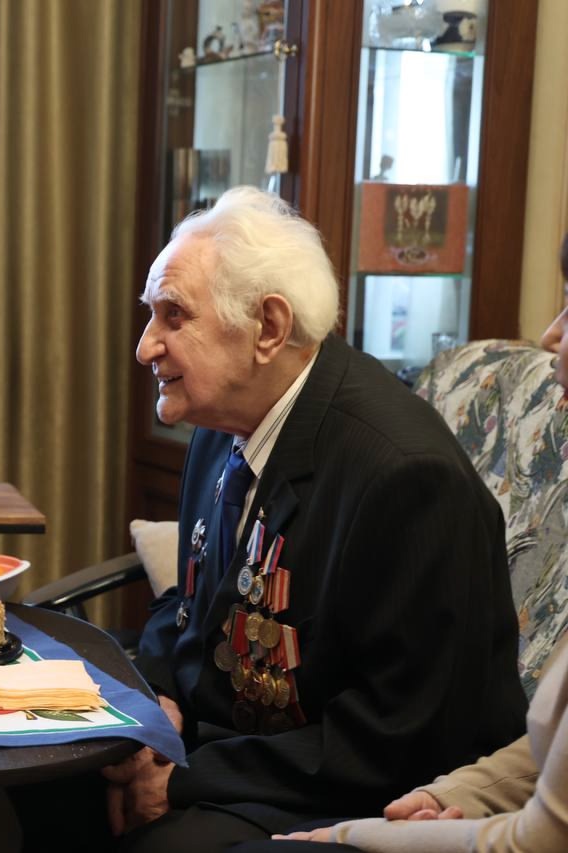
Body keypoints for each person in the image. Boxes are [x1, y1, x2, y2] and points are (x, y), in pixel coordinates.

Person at [30, 186, 528, 852]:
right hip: (233, 740)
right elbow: (190, 604)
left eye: (174, 316)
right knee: (47, 773)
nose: (146, 347)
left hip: (348, 787)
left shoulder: (406, 478)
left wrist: (185, 780)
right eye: (151, 315)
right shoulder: (223, 420)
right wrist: (153, 707)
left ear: (267, 328)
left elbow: (402, 735)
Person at [264, 233, 568, 852]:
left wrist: (352, 835)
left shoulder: (404, 470)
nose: (550, 335)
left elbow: (538, 839)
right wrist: (454, 795)